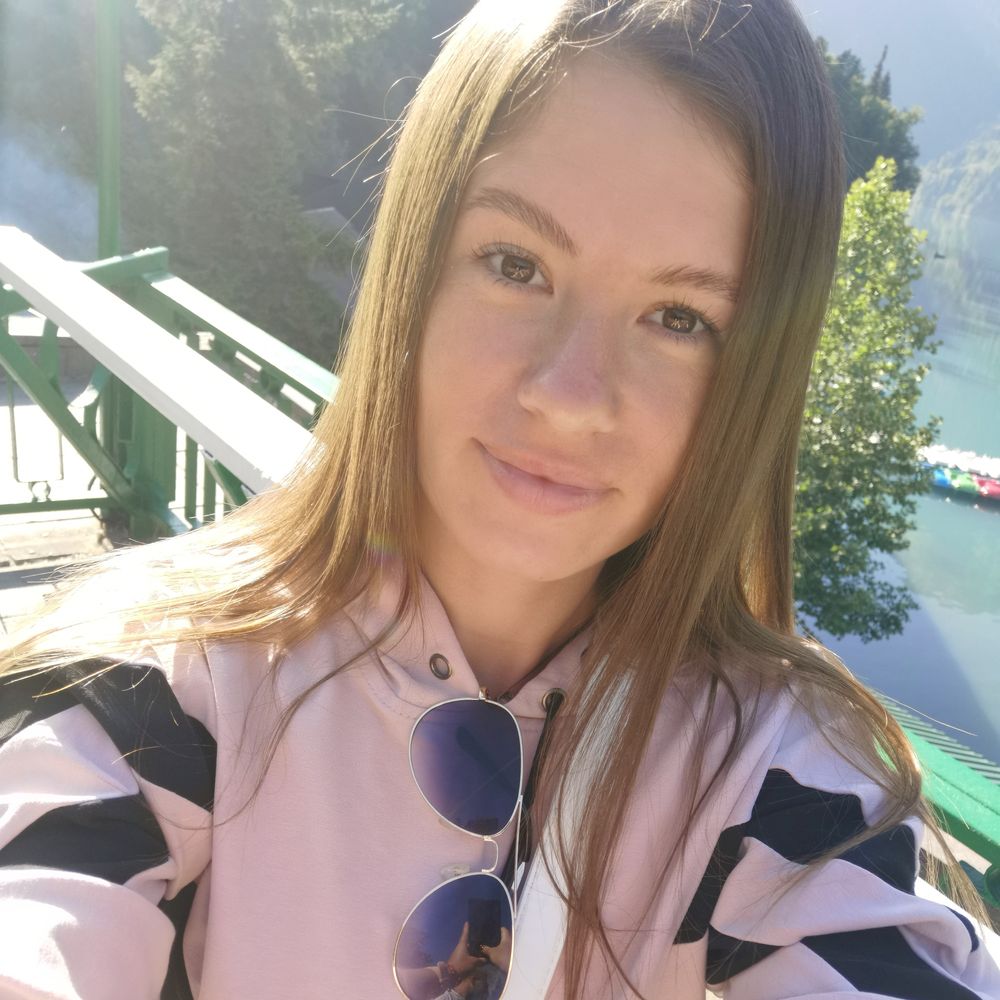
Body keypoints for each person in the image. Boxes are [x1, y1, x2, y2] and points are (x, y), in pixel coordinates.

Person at [0, 0, 998, 997]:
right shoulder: (153, 698)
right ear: (414, 267)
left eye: (679, 318)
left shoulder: (779, 778)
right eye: (516, 266)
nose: (570, 395)